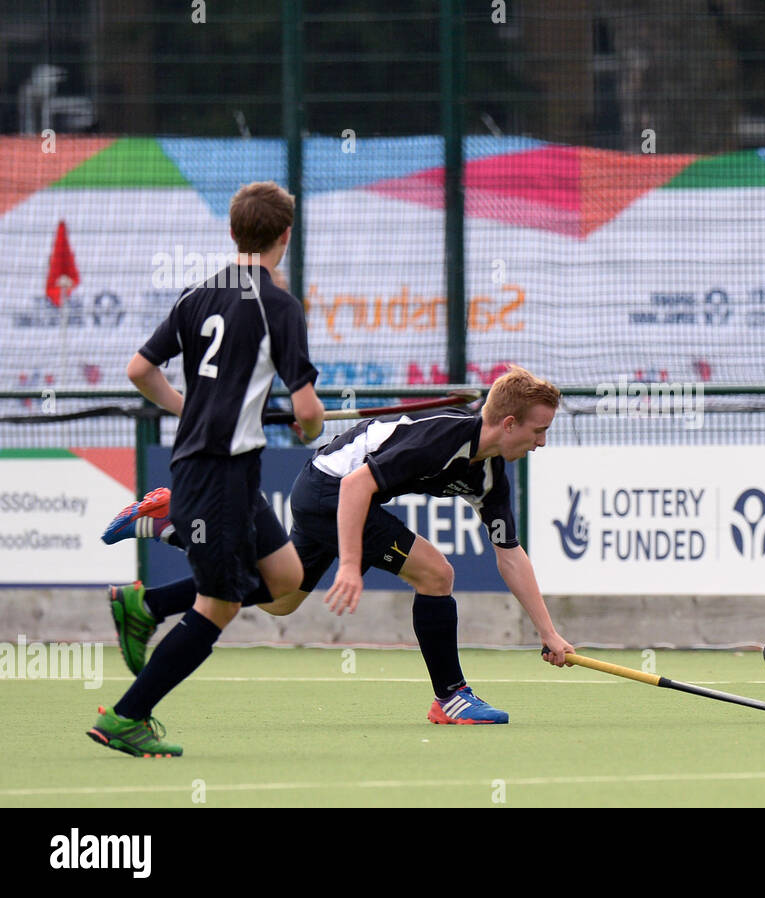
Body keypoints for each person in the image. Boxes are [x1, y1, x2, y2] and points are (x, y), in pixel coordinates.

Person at [102, 365, 576, 726]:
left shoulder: (491, 475)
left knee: (280, 599)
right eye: (539, 431)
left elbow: (510, 555)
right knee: (436, 573)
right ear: (509, 423)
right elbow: (356, 487)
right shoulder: (441, 439)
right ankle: (450, 696)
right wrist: (350, 564)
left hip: (327, 491)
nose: (542, 442)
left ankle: (161, 558)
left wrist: (548, 632)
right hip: (333, 489)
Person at [88, 181, 325, 757]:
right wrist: (308, 427)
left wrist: (187, 404)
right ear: (285, 237)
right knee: (217, 606)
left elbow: (140, 370)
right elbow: (310, 413)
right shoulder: (280, 305)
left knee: (287, 577)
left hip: (224, 469)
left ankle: (144, 603)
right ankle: (127, 716)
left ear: (232, 232)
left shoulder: (198, 295)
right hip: (217, 473)